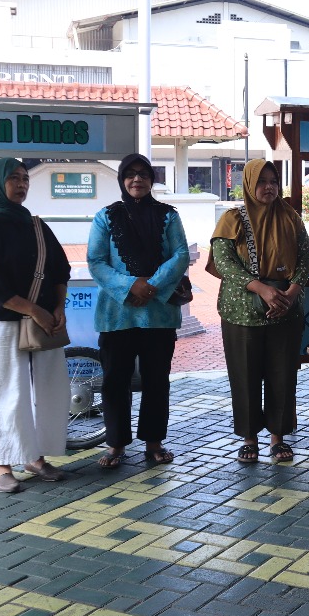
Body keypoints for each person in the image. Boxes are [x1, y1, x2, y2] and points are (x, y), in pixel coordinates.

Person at [0, 158, 71, 493]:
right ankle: (1, 463)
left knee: (50, 388)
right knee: (5, 389)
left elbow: (60, 269)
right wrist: (35, 311)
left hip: (44, 320)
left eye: (25, 179)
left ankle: (34, 456)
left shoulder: (35, 225)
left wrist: (58, 306)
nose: (21, 185)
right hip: (3, 320)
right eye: (13, 179)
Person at [87, 154, 190, 468]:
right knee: (115, 382)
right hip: (117, 314)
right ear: (122, 179)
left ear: (151, 179)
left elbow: (180, 254)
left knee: (156, 381)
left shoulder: (168, 215)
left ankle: (154, 442)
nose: (137, 180)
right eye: (130, 174)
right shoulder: (106, 216)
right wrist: (131, 285)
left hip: (158, 315)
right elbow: (96, 261)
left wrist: (152, 285)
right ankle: (116, 444)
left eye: (143, 174)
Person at [211, 159, 309, 464]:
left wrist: (291, 292)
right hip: (242, 311)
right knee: (245, 376)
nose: (269, 187)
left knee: (283, 375)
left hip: (285, 309)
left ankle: (278, 438)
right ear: (249, 184)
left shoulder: (290, 217)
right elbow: (224, 262)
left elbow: (305, 256)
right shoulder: (232, 219)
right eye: (262, 181)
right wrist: (261, 289)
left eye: (273, 181)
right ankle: (249, 439)